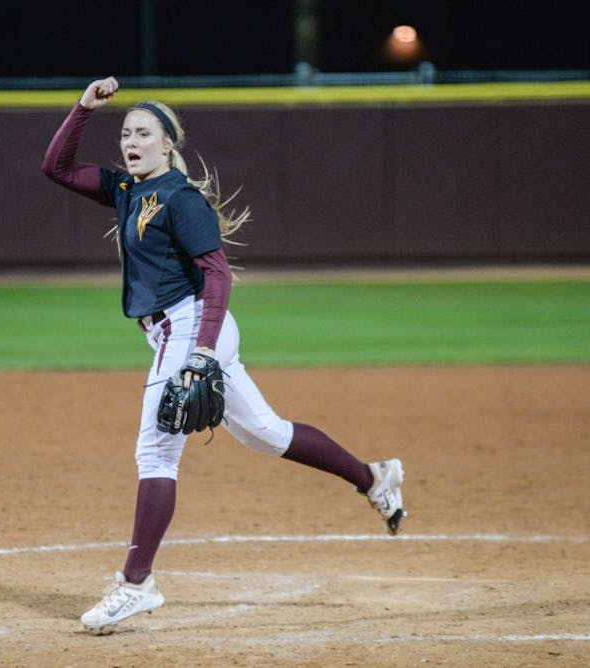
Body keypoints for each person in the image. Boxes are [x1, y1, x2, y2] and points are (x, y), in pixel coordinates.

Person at [41, 77, 407, 635]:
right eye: (126, 133)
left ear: (169, 144)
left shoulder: (181, 199)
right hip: (180, 330)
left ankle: (135, 585)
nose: (131, 142)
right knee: (266, 433)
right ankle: (372, 477)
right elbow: (58, 169)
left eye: (144, 133)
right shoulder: (126, 189)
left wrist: (203, 351)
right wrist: (84, 108)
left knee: (156, 453)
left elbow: (217, 275)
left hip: (193, 326)